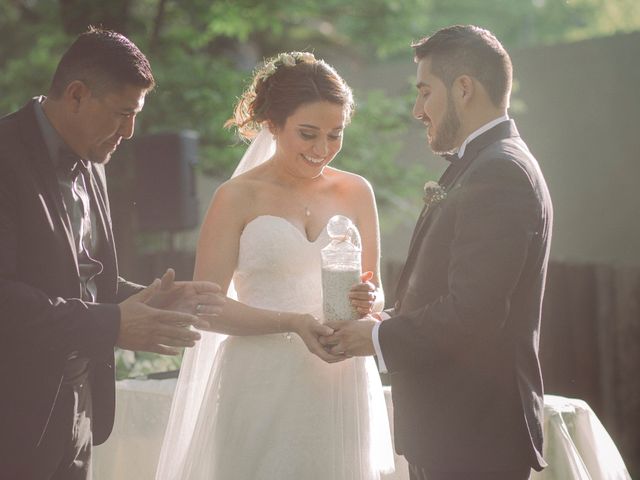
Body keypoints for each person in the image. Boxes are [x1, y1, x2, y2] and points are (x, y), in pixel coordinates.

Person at [321, 25, 553, 480]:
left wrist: (374, 339)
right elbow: (458, 292)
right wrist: (387, 319)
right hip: (454, 432)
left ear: (463, 88)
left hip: (473, 440)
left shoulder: (500, 172)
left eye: (425, 92)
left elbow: (474, 312)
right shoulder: (483, 163)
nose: (417, 110)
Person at [156, 51, 394, 479]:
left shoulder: (358, 192)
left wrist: (370, 298)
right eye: (308, 134)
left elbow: (375, 292)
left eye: (335, 134)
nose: (322, 149)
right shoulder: (236, 197)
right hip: (260, 380)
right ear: (272, 125)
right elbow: (206, 307)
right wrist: (293, 322)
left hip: (339, 382)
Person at [0, 27, 224, 479]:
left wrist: (149, 299)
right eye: (124, 113)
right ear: (77, 95)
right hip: (13, 419)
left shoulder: (94, 160)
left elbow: (78, 276)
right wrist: (116, 323)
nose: (130, 131)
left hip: (82, 413)